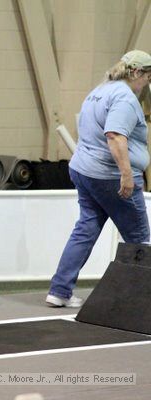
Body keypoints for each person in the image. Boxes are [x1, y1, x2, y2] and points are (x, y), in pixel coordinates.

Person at [46, 50, 151, 308]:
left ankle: (60, 290)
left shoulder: (101, 90)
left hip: (84, 170)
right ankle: (138, 300)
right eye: (148, 76)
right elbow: (115, 136)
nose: (147, 83)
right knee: (139, 237)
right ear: (136, 72)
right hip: (110, 175)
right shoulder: (125, 98)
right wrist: (127, 175)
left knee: (86, 228)